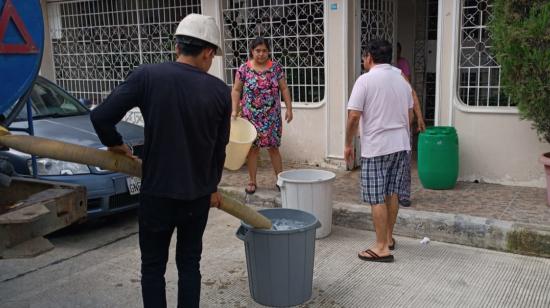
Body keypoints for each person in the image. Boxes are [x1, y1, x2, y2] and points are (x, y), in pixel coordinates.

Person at [90, 14, 230, 308]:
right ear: (207, 52)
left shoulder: (148, 76)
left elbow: (101, 116)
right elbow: (220, 149)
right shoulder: (220, 91)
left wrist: (115, 143)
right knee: (190, 265)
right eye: (213, 55)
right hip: (196, 197)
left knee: (152, 267)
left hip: (157, 194)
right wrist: (212, 187)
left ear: (177, 46)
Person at [344, 39, 413, 262]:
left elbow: (354, 116)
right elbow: (409, 115)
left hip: (376, 147)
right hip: (400, 144)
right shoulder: (402, 80)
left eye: (364, 56)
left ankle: (381, 247)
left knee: (376, 198)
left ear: (369, 57)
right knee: (392, 193)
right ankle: (389, 238)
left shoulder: (365, 81)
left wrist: (348, 144)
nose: (363, 60)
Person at [231, 37, 293, 194]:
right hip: (250, 117)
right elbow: (236, 90)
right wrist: (234, 109)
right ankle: (252, 181)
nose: (261, 54)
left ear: (269, 51)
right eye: (258, 50)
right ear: (252, 51)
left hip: (272, 117)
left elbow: (284, 88)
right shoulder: (244, 69)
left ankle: (280, 180)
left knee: (273, 148)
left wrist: (289, 108)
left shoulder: (276, 68)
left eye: (264, 50)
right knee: (253, 149)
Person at [395, 42, 426, 207]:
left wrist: (419, 117)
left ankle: (404, 195)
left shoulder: (399, 73)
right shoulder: (372, 78)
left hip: (404, 124)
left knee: (404, 162)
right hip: (389, 128)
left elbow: (411, 92)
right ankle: (391, 194)